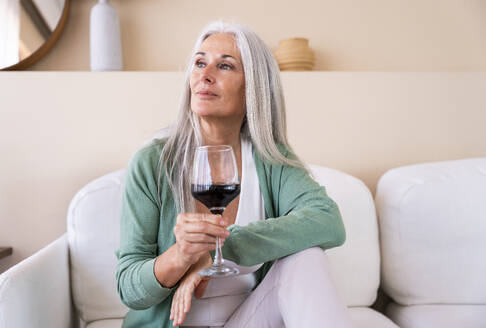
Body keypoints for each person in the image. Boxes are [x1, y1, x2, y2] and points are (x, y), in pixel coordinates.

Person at [116, 20, 352, 328]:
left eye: (224, 66)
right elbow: (128, 288)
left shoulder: (269, 159)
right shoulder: (152, 162)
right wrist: (183, 254)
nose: (205, 75)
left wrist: (222, 247)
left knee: (307, 258)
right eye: (199, 63)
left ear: (253, 87)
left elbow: (328, 221)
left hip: (248, 320)